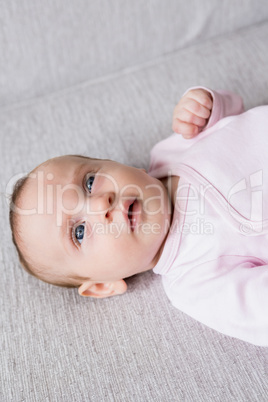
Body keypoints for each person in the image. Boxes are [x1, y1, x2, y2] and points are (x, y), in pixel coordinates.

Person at [9, 87, 268, 346]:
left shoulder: (169, 151)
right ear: (103, 285)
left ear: (121, 165)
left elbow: (232, 110)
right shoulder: (193, 282)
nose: (101, 203)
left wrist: (205, 107)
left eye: (89, 183)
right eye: (79, 231)